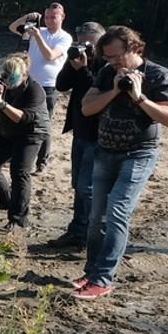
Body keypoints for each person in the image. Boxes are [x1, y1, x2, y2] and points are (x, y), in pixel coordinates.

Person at [72, 26, 168, 300]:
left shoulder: (159, 75)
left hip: (138, 154)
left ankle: (103, 279)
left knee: (117, 212)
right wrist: (114, 90)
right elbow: (87, 107)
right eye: (108, 57)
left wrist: (139, 96)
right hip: (105, 151)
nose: (112, 62)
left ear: (134, 48)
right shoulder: (107, 72)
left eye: (116, 56)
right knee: (96, 218)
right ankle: (92, 271)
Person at [40, 21, 106, 249]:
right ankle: (78, 230)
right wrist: (72, 63)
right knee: (78, 184)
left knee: (88, 188)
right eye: (81, 43)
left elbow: (97, 93)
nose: (86, 48)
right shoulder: (80, 60)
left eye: (90, 44)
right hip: (80, 130)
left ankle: (93, 234)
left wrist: (84, 69)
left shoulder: (108, 65)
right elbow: (61, 85)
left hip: (98, 134)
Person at [0, 52, 49, 236]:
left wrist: (1, 102)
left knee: (20, 172)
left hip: (31, 131)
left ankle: (18, 221)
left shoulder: (35, 90)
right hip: (6, 129)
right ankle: (6, 201)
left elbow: (22, 118)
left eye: (12, 76)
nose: (7, 79)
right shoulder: (1, 86)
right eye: (5, 74)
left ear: (24, 75)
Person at [9, 3, 73, 169]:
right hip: (28, 83)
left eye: (53, 17)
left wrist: (37, 36)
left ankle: (42, 160)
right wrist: (28, 17)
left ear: (62, 17)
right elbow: (13, 27)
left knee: (43, 123)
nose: (49, 21)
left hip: (48, 86)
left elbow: (49, 56)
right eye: (47, 17)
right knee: (20, 118)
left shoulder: (64, 38)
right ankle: (15, 152)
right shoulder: (38, 31)